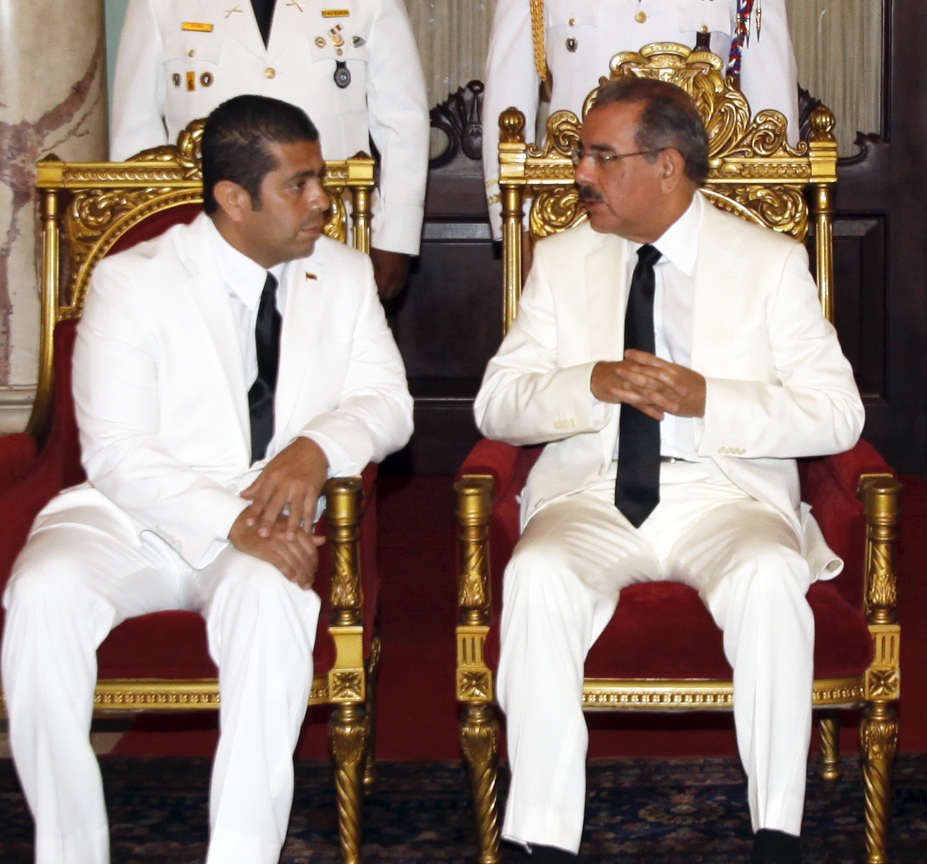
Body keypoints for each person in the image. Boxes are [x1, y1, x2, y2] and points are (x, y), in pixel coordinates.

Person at [0, 94, 413, 864]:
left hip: (270, 517)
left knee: (271, 601)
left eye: (320, 179)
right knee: (43, 591)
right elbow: (116, 452)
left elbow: (389, 404)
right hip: (132, 515)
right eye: (298, 184)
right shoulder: (131, 280)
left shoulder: (345, 275)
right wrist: (231, 522)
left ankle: (243, 853)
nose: (322, 200)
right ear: (233, 197)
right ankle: (69, 849)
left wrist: (316, 447)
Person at [473, 77, 863, 864]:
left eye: (600, 156)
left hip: (725, 493)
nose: (579, 173)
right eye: (580, 154)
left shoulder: (769, 263)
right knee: (537, 573)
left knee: (769, 576)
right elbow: (496, 406)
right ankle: (539, 838)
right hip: (592, 493)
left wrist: (707, 398)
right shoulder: (561, 261)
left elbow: (837, 415)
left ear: (667, 166)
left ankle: (777, 834)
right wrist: (589, 383)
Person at [110, 0, 430, 300]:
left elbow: (402, 121)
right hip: (205, 235)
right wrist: (142, 240)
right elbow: (136, 131)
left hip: (331, 231)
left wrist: (395, 238)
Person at [481, 0, 800, 237]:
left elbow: (772, 119)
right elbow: (508, 108)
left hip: (694, 216)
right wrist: (515, 229)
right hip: (574, 212)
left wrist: (774, 224)